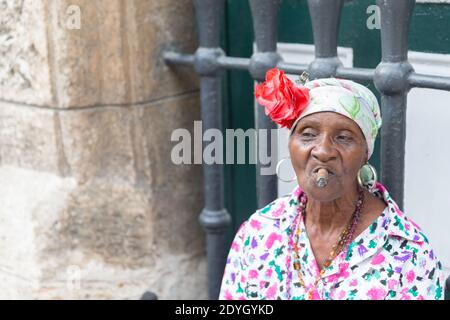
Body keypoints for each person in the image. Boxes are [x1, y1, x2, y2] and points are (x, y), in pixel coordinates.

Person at [219, 69, 445, 300]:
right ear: (291, 147)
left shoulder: (408, 254)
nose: (323, 151)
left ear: (365, 154)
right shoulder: (260, 232)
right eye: (308, 134)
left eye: (344, 137)